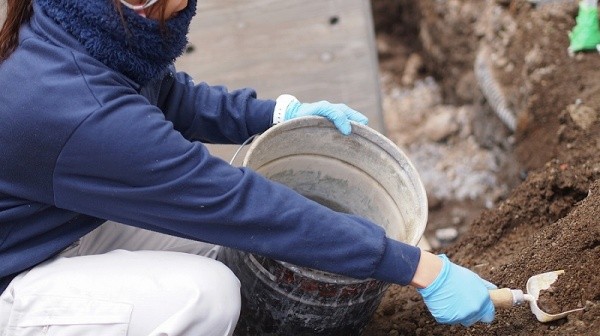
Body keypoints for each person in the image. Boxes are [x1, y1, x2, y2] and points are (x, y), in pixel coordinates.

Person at [0, 0, 496, 334]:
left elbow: (166, 94)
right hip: (15, 277)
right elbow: (236, 202)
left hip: (55, 224)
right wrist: (421, 268)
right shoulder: (78, 110)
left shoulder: (75, 19)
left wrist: (279, 114)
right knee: (206, 297)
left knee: (228, 247)